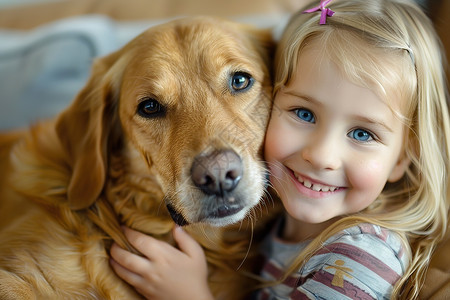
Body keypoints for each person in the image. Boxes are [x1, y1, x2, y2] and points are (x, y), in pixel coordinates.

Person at [109, 0, 450, 299]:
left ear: (403, 158)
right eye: (304, 114)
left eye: (362, 133)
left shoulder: (361, 258)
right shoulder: (278, 224)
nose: (321, 155)